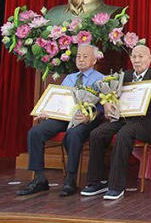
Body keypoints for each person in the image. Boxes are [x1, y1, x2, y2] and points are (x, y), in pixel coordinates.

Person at [17, 43, 105, 197]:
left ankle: (70, 180)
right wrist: (48, 111)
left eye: (85, 57)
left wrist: (88, 116)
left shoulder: (101, 79)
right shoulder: (69, 78)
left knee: (73, 134)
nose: (81, 59)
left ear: (94, 60)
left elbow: (103, 107)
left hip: (85, 119)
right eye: (78, 56)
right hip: (64, 116)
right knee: (35, 132)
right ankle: (39, 179)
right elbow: (60, 99)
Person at [80, 45, 151, 200]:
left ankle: (116, 186)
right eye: (134, 57)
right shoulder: (124, 76)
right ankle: (97, 182)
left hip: (147, 123)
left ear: (150, 58)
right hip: (125, 118)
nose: (137, 60)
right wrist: (107, 102)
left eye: (141, 56)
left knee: (124, 133)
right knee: (97, 133)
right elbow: (108, 93)